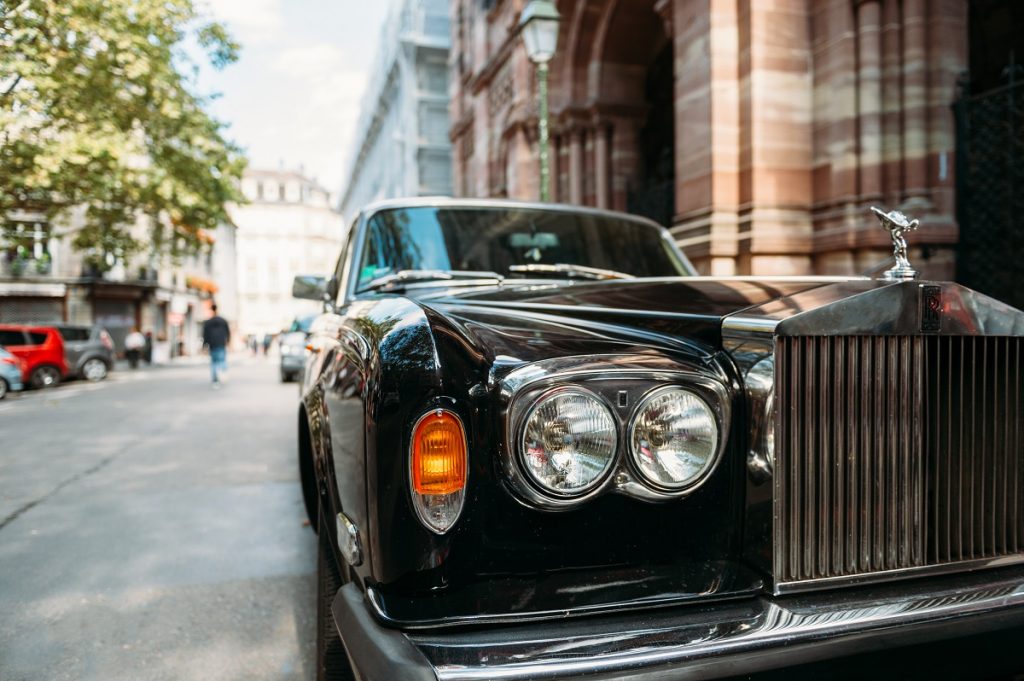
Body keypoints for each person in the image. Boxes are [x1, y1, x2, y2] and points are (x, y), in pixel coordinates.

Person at [202, 304, 231, 386]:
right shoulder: (223, 320)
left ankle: (215, 380)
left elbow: (205, 335)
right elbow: (228, 332)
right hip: (221, 343)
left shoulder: (208, 322)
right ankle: (223, 374)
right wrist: (228, 341)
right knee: (222, 360)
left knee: (214, 362)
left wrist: (204, 346)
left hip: (212, 345)